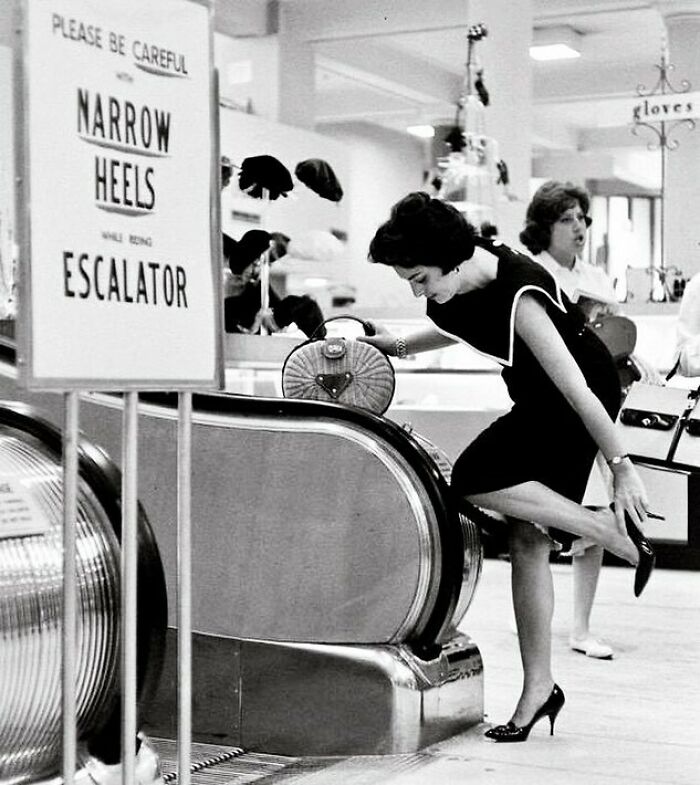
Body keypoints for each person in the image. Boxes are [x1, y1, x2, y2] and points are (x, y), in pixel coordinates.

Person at [360, 192, 655, 743]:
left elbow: (579, 390)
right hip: (539, 400)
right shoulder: (460, 276)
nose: (417, 290)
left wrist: (621, 466)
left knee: (473, 478)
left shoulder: (520, 295)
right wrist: (397, 344)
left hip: (578, 397)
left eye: (419, 278)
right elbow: (458, 322)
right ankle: (539, 689)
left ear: (445, 257)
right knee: (526, 540)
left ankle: (603, 530)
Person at [519, 180, 617, 660]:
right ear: (544, 226)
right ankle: (539, 628)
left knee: (594, 512)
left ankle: (580, 627)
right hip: (547, 408)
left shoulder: (596, 276)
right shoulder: (534, 274)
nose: (578, 227)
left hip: (591, 407)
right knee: (539, 523)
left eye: (581, 217)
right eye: (566, 219)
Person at [222, 231, 326, 338]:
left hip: (252, 330)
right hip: (233, 328)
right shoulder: (226, 253)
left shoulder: (258, 288)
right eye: (255, 264)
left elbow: (286, 308)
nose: (258, 270)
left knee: (303, 306)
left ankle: (318, 340)